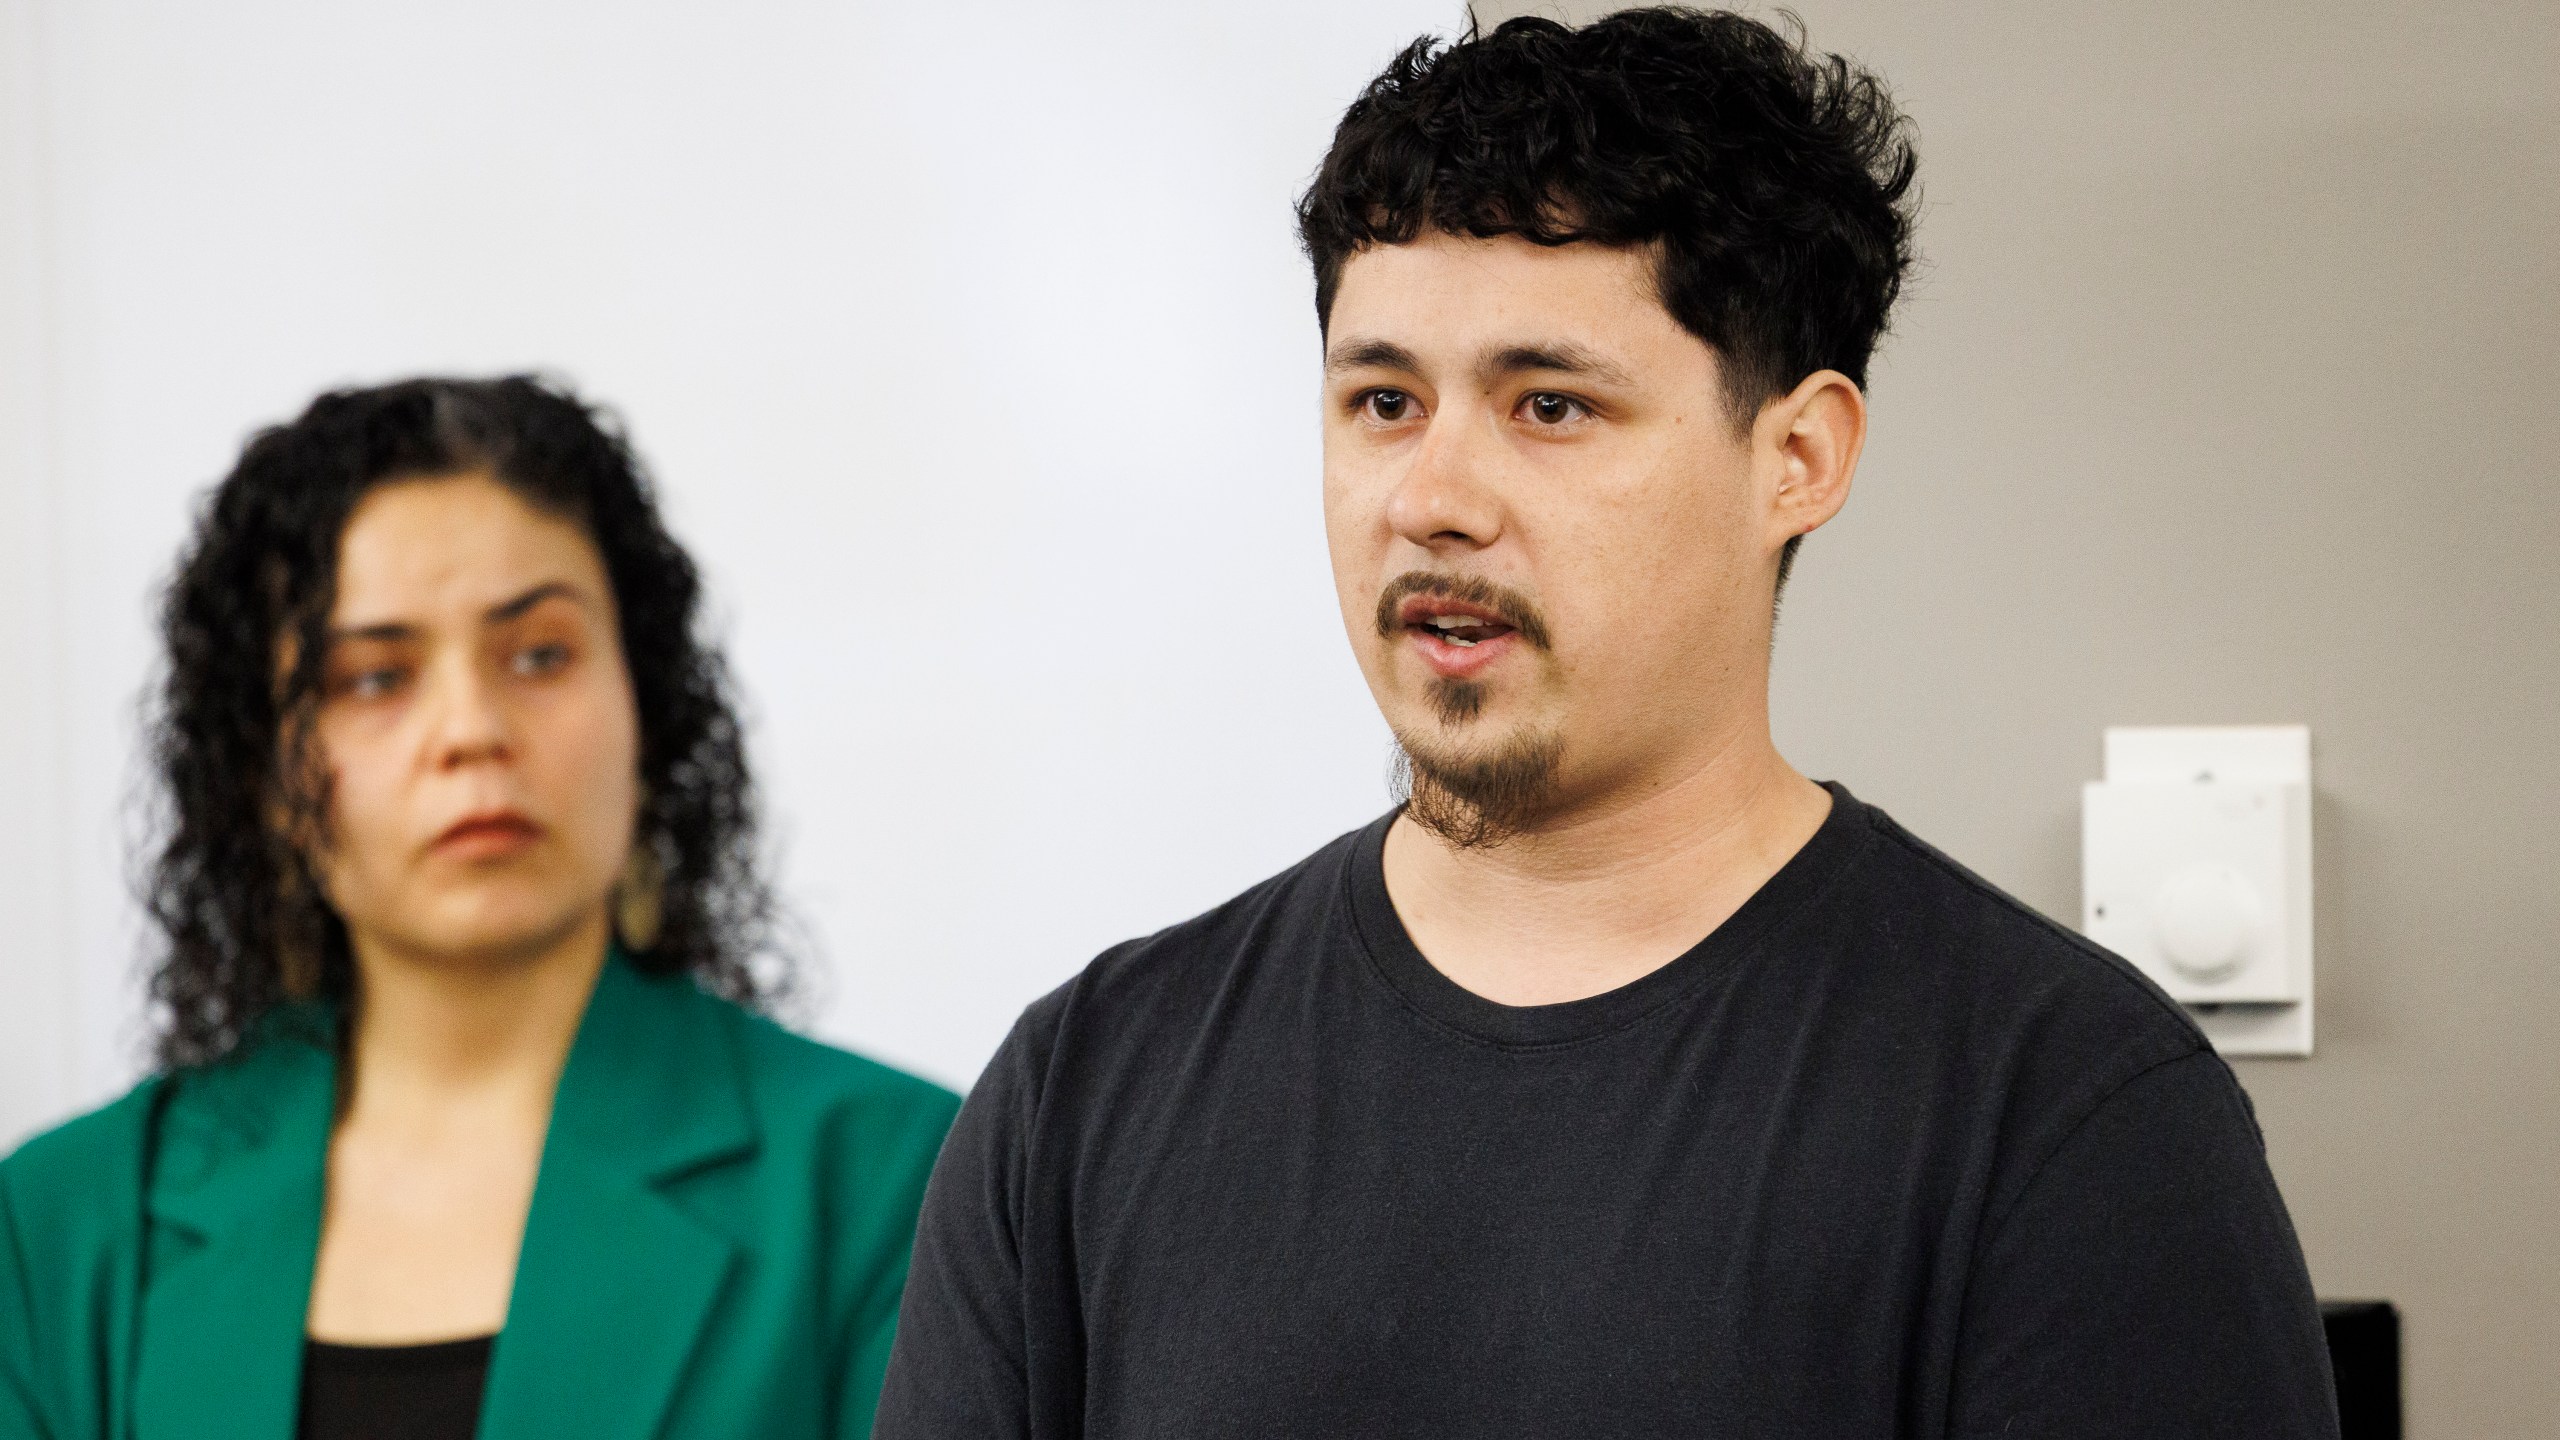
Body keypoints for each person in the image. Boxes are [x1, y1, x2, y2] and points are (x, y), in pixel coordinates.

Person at [876, 11, 2339, 1438]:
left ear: (1798, 456)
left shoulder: (2067, 1119)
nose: (1432, 498)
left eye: (1550, 407)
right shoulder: (1079, 1097)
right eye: (1382, 401)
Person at [0, 377, 958, 1439]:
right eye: (374, 677)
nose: (471, 730)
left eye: (540, 655)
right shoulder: (53, 1234)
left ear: (646, 708)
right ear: (264, 774)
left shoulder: (898, 1182)